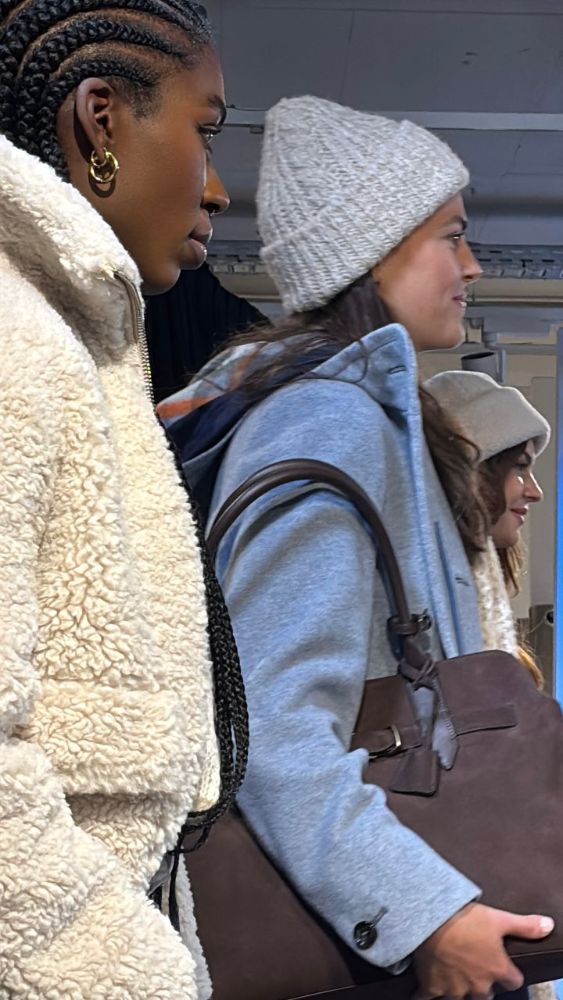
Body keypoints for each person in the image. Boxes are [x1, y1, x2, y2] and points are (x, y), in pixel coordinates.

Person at [160, 96, 553, 999]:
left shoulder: (356, 412)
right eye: (450, 236)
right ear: (374, 251)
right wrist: (426, 915)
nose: (472, 264)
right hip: (373, 952)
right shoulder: (327, 420)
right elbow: (274, 727)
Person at [0, 3, 244, 999]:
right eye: (205, 131)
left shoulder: (71, 337)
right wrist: (131, 971)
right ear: (101, 121)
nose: (218, 188)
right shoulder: (15, 337)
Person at [425, 370, 550, 687]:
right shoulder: (425, 614)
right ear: (471, 474)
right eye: (520, 467)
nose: (535, 492)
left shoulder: (478, 603)